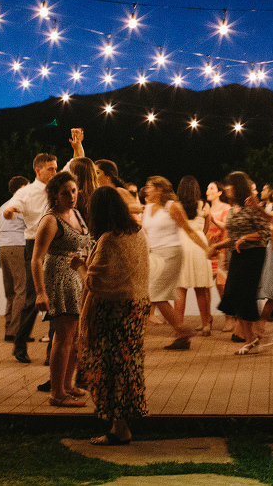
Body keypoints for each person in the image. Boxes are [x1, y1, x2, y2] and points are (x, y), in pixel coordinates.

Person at [74, 186, 150, 446]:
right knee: (128, 367)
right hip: (136, 308)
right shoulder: (138, 233)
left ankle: (118, 428)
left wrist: (81, 267)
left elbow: (96, 283)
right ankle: (123, 422)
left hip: (113, 313)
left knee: (109, 368)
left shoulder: (109, 239)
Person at [30, 171, 94, 407]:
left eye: (74, 191)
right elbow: (36, 258)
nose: (71, 196)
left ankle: (68, 385)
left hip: (76, 276)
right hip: (59, 277)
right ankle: (57, 392)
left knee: (75, 336)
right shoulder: (51, 220)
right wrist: (40, 292)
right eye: (65, 193)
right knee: (63, 336)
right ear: (55, 196)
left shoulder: (75, 213)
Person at [208, 171, 273, 352]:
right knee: (233, 295)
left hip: (253, 254)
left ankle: (259, 332)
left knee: (244, 295)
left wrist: (245, 238)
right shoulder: (234, 208)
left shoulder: (251, 206)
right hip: (237, 254)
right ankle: (251, 338)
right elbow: (234, 238)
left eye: (229, 184)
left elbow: (266, 233)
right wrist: (218, 247)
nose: (226, 188)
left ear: (237, 186)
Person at [2, 152, 58, 362]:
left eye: (55, 168)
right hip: (34, 244)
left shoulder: (58, 186)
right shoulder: (26, 193)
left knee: (56, 297)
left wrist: (78, 146)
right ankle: (20, 342)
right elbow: (10, 208)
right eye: (50, 169)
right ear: (38, 170)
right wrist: (11, 212)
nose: (54, 172)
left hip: (56, 243)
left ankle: (52, 350)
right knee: (33, 296)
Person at [141, 176, 208, 349]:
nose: (146, 190)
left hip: (171, 253)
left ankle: (182, 329)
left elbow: (189, 230)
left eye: (149, 187)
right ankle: (181, 336)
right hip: (154, 255)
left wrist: (206, 249)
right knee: (158, 293)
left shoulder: (173, 206)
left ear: (159, 189)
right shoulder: (147, 208)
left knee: (156, 294)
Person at [174, 175, 213, 334]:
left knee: (180, 289)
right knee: (201, 288)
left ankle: (179, 327)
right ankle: (205, 325)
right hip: (199, 245)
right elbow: (207, 226)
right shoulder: (203, 205)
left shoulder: (176, 206)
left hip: (181, 243)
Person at [0, 176, 29, 342]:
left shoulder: (3, 206)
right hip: (18, 246)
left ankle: (9, 327)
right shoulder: (20, 206)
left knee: (10, 290)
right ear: (22, 188)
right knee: (21, 289)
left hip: (3, 247)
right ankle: (16, 331)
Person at [203, 180, 233, 333]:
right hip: (207, 251)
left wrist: (213, 219)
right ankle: (206, 318)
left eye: (212, 188)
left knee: (221, 286)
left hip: (220, 250)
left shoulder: (226, 208)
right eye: (207, 187)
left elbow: (227, 228)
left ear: (219, 192)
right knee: (204, 286)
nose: (208, 190)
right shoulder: (204, 208)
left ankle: (229, 317)